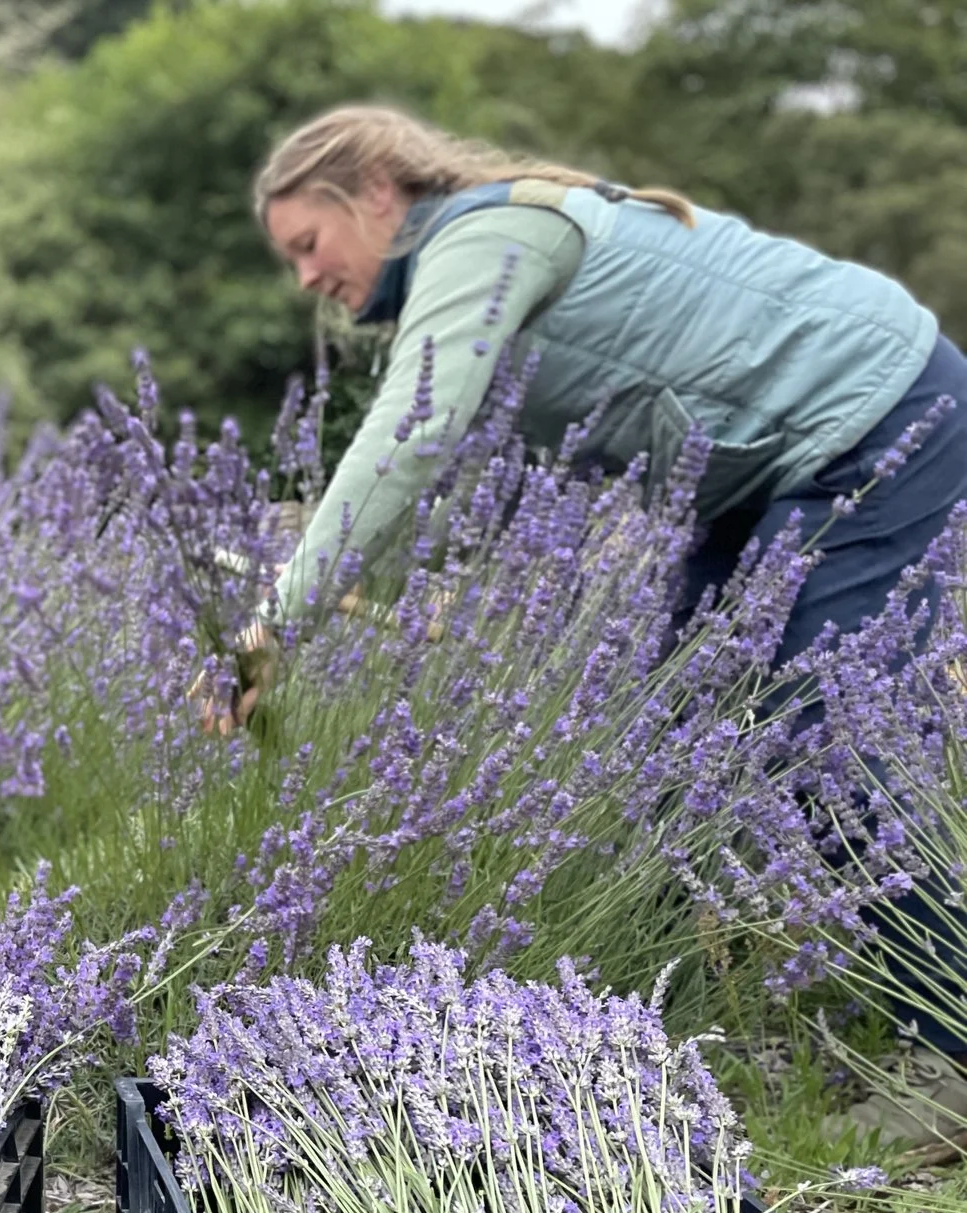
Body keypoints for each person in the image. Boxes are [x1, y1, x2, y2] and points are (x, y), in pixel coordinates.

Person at [245, 105, 967, 1148]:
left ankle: (949, 1047)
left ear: (371, 191)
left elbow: (411, 433)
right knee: (673, 744)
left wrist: (275, 624)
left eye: (308, 245)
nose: (307, 277)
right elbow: (452, 480)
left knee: (826, 730)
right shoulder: (469, 263)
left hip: (881, 415)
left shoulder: (481, 237)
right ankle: (650, 1042)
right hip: (771, 477)